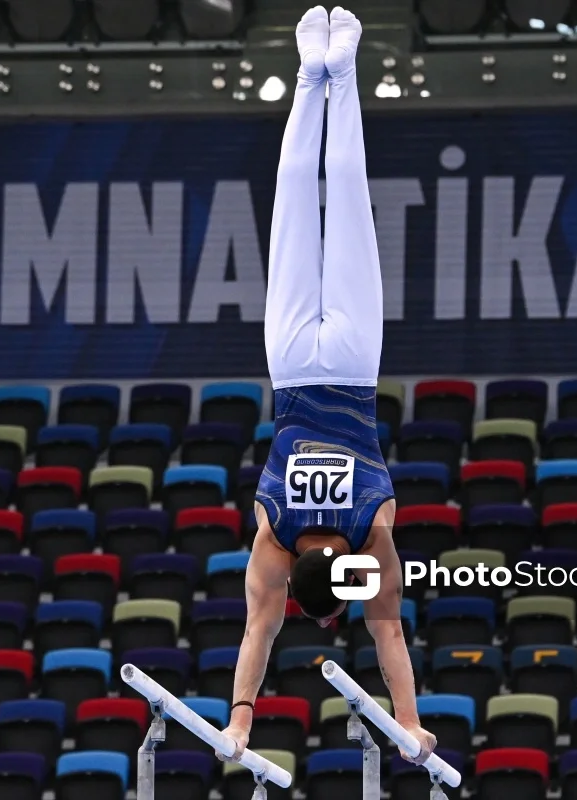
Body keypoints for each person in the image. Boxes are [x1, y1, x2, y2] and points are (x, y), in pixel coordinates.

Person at [216, 6, 437, 769]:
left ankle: (337, 75)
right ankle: (315, 75)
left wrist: (411, 720)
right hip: (288, 364)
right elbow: (259, 634)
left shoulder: (372, 536)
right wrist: (237, 722)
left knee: (344, 199)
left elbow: (389, 632)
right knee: (289, 203)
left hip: (350, 362)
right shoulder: (272, 540)